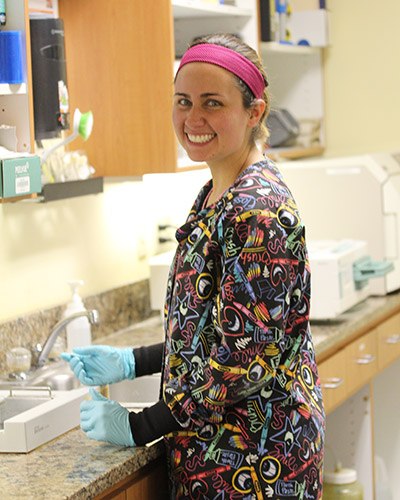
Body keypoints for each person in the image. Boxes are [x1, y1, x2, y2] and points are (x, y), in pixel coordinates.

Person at [62, 33, 325, 499]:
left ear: (255, 112)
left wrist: (141, 425)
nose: (193, 119)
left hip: (257, 461)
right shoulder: (216, 191)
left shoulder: (256, 211)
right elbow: (213, 332)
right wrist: (133, 361)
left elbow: (239, 364)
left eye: (212, 103)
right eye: (183, 101)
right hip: (218, 455)